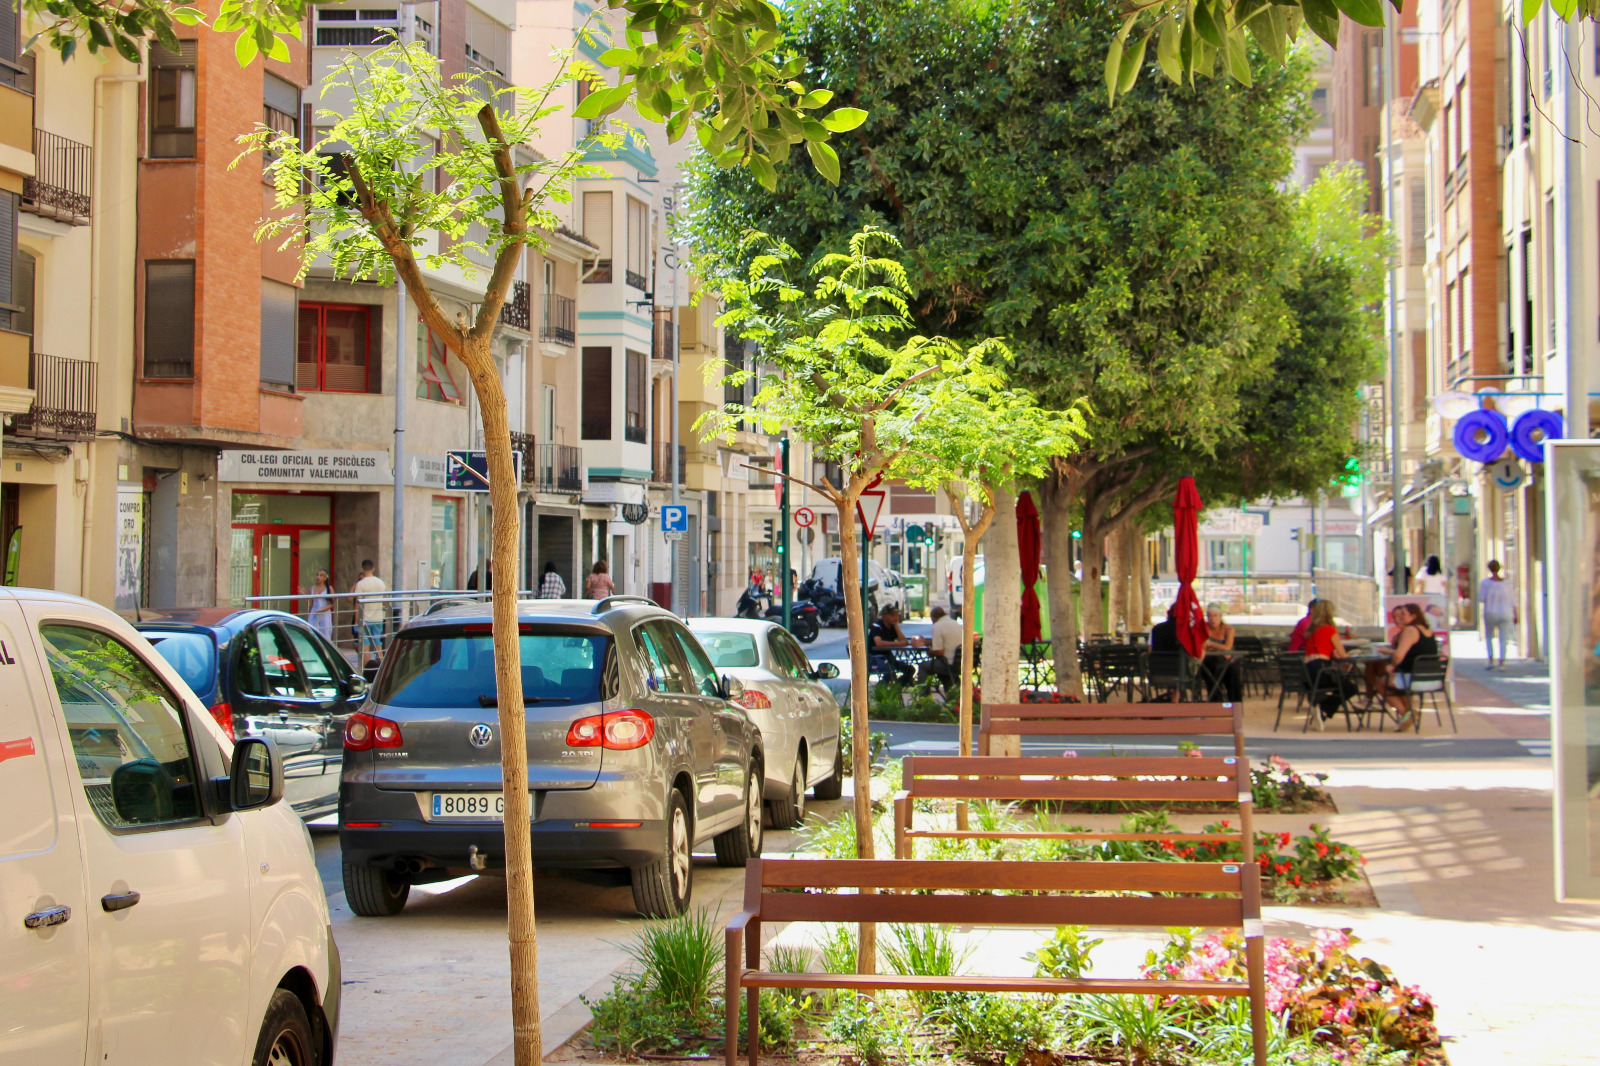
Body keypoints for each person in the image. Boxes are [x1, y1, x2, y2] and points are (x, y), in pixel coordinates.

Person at [1384, 602, 1439, 731]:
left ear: (1413, 616)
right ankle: (1410, 712)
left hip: (1414, 678)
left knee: (1382, 683)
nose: (1400, 617)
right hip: (1432, 678)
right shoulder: (1428, 631)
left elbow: (1398, 655)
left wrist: (1392, 666)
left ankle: (1407, 714)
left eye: (1403, 614)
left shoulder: (1410, 630)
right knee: (1396, 682)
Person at [1302, 599, 1358, 720]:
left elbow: (1321, 648)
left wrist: (1332, 654)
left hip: (1308, 673)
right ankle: (1324, 709)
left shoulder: (1311, 631)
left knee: (1343, 686)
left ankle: (1323, 711)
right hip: (1321, 672)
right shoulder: (1329, 630)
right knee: (1351, 688)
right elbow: (1343, 655)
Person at [1199, 603, 1243, 702]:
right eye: (1209, 616)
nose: (1212, 619)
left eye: (1215, 616)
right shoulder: (1204, 629)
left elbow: (1227, 647)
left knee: (1232, 670)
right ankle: (1216, 702)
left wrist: (1211, 643)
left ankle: (1235, 703)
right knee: (1212, 667)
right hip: (1210, 660)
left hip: (1226, 659)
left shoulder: (1228, 629)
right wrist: (1220, 648)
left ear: (1220, 616)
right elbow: (1202, 647)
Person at [869, 604, 921, 684]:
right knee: (889, 672)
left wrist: (896, 627)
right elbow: (878, 643)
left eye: (897, 615)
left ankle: (896, 690)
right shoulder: (877, 626)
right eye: (892, 615)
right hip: (875, 658)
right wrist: (897, 644)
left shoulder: (892, 627)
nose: (896, 618)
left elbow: (904, 642)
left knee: (910, 669)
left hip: (888, 658)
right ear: (884, 616)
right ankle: (879, 691)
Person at [1478, 560, 1516, 669]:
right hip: (1506, 612)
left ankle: (1491, 659)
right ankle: (1502, 662)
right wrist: (1515, 613)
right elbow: (1513, 599)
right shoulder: (1507, 583)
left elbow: (1482, 598)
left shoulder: (1485, 583)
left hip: (1490, 611)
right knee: (1504, 638)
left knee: (1489, 636)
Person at [352, 560, 387, 667]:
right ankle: (381, 669)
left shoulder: (361, 584)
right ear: (373, 569)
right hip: (378, 618)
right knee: (378, 645)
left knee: (365, 647)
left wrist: (356, 621)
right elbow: (384, 601)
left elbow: (357, 603)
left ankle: (366, 670)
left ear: (362, 569)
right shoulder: (381, 583)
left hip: (366, 618)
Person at [922, 605, 963, 688]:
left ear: (933, 618)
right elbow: (948, 642)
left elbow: (939, 652)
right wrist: (928, 643)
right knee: (942, 672)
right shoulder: (955, 623)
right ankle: (952, 695)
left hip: (949, 664)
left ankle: (923, 695)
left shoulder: (937, 626)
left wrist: (930, 650)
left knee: (923, 666)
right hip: (959, 663)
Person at [308, 568, 334, 640]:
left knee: (325, 634)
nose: (318, 577)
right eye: (317, 575)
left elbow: (331, 604)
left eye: (321, 575)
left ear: (325, 578)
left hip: (324, 614)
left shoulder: (329, 588)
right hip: (314, 613)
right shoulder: (312, 588)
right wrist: (304, 594)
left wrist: (321, 610)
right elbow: (310, 604)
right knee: (313, 634)